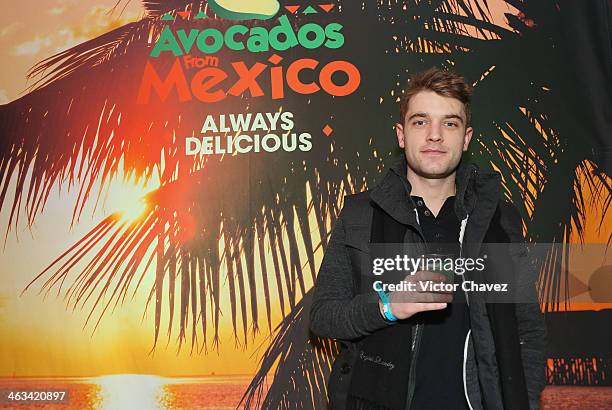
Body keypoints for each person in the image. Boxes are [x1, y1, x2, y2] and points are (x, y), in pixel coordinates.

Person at [309, 67, 546, 410]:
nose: (435, 136)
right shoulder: (360, 213)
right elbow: (324, 315)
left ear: (465, 138)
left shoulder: (498, 221)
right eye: (420, 121)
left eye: (449, 123)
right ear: (401, 135)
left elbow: (528, 331)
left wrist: (522, 401)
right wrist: (388, 305)